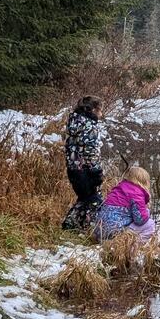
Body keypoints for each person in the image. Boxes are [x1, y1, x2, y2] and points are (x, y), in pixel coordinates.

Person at [61, 96, 105, 231]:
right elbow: (91, 152)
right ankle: (90, 227)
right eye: (100, 110)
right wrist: (97, 172)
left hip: (73, 169)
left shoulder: (74, 123)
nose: (101, 114)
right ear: (93, 110)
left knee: (84, 198)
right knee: (94, 200)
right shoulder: (90, 126)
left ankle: (70, 225)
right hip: (86, 170)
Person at [95, 165, 156, 241]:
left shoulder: (118, 188)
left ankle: (108, 243)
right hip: (115, 234)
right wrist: (147, 213)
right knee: (150, 224)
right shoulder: (136, 193)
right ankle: (131, 247)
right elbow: (140, 220)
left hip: (100, 232)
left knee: (142, 212)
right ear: (144, 181)